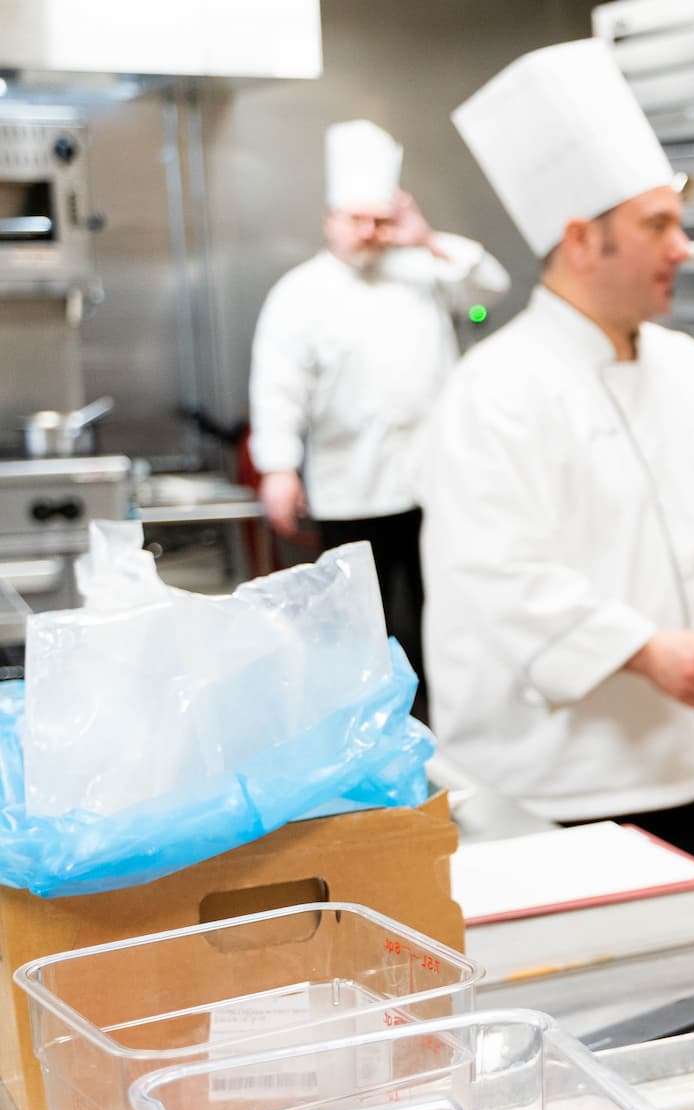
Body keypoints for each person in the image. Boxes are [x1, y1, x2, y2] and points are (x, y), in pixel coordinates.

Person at [426, 40, 694, 958]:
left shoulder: (693, 370)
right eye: (657, 224)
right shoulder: (495, 389)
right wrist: (641, 649)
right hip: (578, 793)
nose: (682, 247)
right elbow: (489, 573)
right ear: (582, 239)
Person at [249, 120, 510, 715]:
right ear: (330, 220)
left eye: (380, 220)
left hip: (432, 484)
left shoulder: (423, 275)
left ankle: (446, 733)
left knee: (440, 616)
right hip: (348, 485)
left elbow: (490, 287)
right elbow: (277, 387)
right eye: (356, 219)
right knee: (361, 626)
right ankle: (375, 733)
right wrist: (279, 469)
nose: (368, 233)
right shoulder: (300, 293)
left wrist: (426, 238)